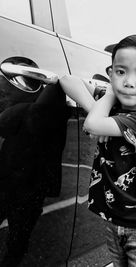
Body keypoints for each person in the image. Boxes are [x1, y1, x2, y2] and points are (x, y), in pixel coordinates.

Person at [60, 34, 136, 267]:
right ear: (110, 74)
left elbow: (92, 125)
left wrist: (100, 116)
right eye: (121, 72)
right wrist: (103, 100)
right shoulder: (111, 104)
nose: (129, 82)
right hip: (115, 219)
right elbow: (67, 79)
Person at [0, 78, 69, 267]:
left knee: (18, 229)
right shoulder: (59, 114)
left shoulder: (22, 111)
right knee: (20, 233)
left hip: (13, 177)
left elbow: (3, 125)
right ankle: (12, 258)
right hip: (33, 182)